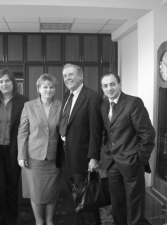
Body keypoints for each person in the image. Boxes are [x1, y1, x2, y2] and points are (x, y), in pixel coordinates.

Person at [100, 73, 156, 225]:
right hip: (112, 164)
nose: (109, 88)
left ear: (119, 84)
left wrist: (139, 159)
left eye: (112, 84)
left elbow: (147, 134)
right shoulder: (104, 106)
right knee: (117, 203)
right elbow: (107, 133)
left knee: (134, 205)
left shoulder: (133, 103)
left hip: (132, 162)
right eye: (105, 86)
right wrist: (106, 154)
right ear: (102, 88)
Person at [59, 63, 103, 225]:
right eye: (65, 76)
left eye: (71, 75)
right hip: (66, 156)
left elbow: (95, 131)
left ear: (81, 76)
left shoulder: (92, 97)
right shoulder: (66, 96)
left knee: (87, 199)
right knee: (73, 199)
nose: (67, 78)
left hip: (83, 157)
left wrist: (94, 158)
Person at [0, 68, 28, 225]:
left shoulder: (23, 100)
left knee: (12, 187)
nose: (4, 84)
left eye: (7, 80)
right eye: (0, 81)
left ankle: (11, 220)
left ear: (13, 82)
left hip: (13, 150)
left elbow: (26, 126)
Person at [18, 73, 62, 225]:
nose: (48, 90)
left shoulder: (61, 105)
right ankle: (39, 221)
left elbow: (64, 130)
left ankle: (49, 221)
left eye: (51, 87)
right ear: (39, 89)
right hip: (33, 157)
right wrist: (21, 155)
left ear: (55, 89)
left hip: (54, 157)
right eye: (45, 87)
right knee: (35, 192)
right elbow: (22, 132)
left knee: (52, 191)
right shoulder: (29, 106)